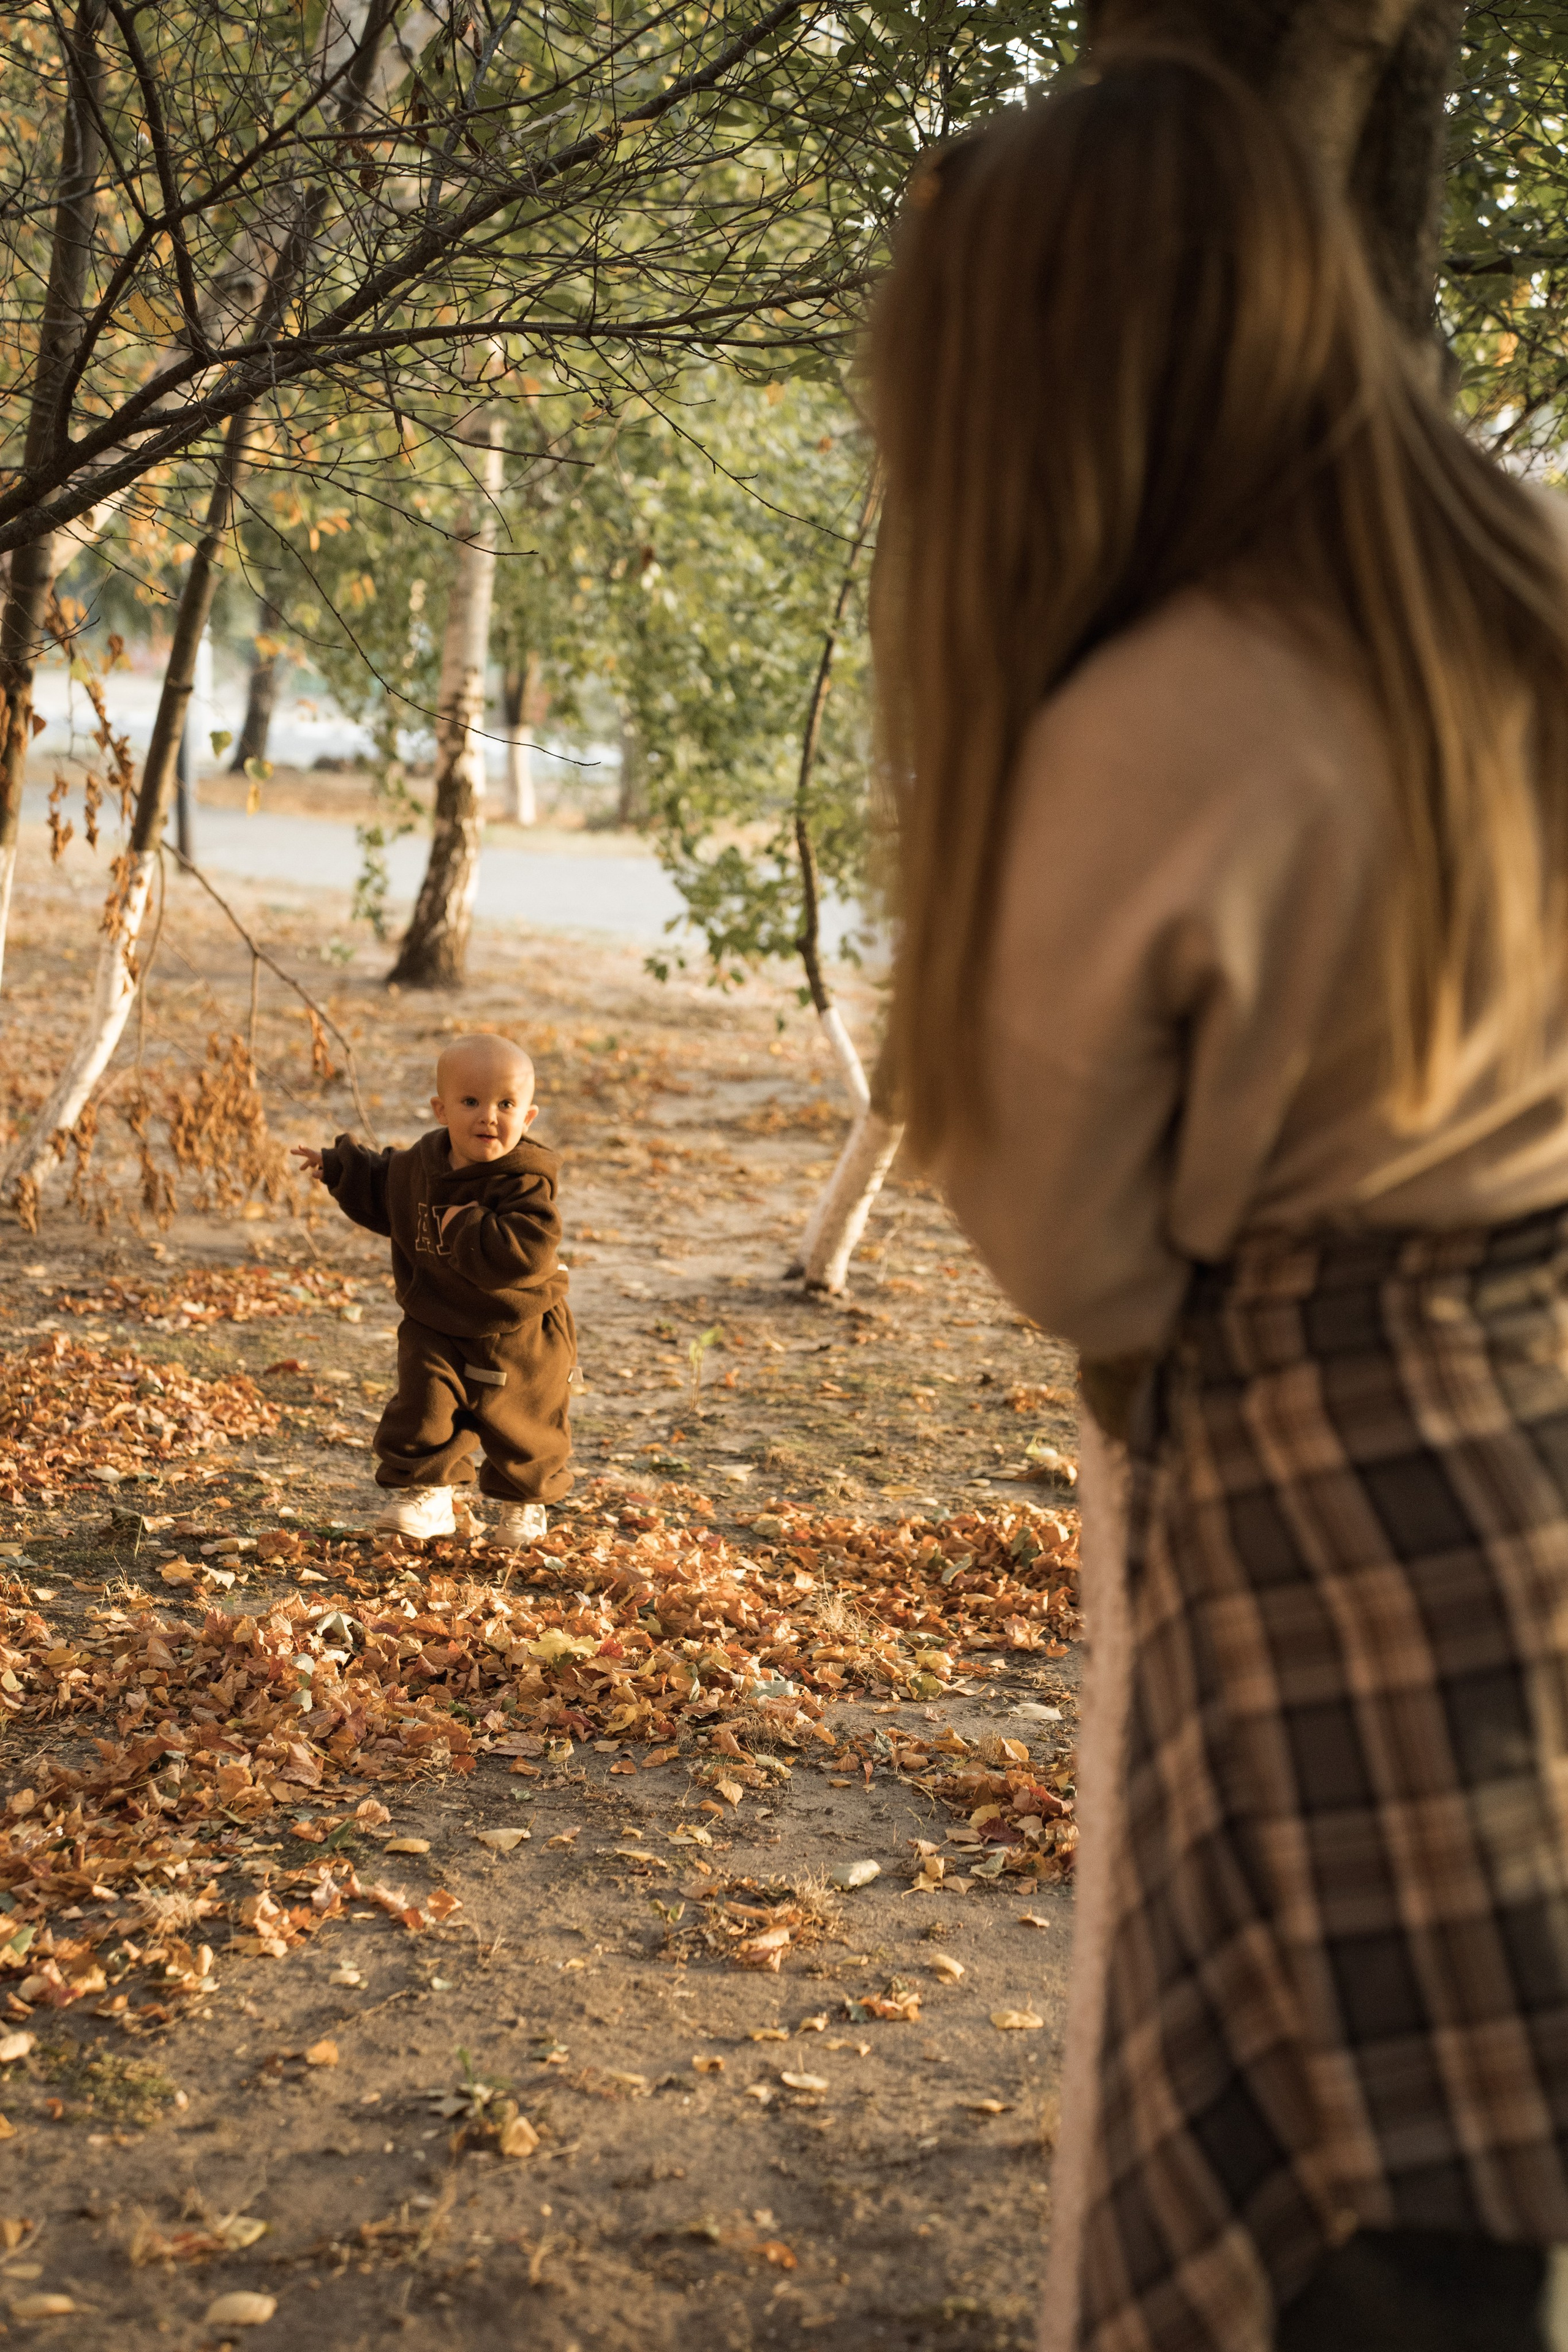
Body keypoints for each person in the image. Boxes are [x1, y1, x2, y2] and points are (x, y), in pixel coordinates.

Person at [871, 47, 1568, 2352]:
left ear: (1029, 385)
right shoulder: (1528, 585)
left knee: (1354, 2203)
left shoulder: (1155, 730)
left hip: (1333, 1512)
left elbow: (1068, 1243)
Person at [292, 1032, 574, 1545]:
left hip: (517, 1327)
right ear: (442, 1109)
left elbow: (528, 1251)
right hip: (436, 1318)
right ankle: (427, 1494)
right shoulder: (422, 1165)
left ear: (528, 1117)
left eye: (506, 1104)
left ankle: (522, 1505)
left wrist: (470, 1227)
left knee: (525, 1424)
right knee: (423, 1408)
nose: (488, 1116)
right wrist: (340, 1168)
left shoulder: (526, 1181)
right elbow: (385, 1183)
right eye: (471, 1102)